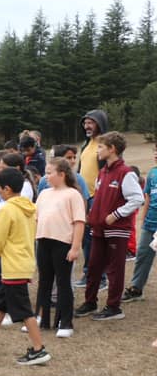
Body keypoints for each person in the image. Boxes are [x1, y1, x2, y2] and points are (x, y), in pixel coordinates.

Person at [0, 168, 50, 365]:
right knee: (2, 303)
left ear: (6, 189)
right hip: (22, 262)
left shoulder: (7, 209)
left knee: (23, 310)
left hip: (13, 267)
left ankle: (39, 349)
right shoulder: (28, 207)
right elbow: (17, 237)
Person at [75, 132, 144, 321]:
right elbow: (99, 198)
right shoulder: (104, 171)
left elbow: (137, 199)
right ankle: (90, 302)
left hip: (117, 230)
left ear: (112, 149)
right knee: (94, 266)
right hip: (99, 229)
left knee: (114, 269)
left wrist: (116, 215)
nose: (97, 150)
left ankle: (113, 307)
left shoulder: (126, 173)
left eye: (100, 147)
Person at [34, 157, 86, 338]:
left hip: (62, 243)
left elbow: (79, 222)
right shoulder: (44, 194)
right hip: (43, 241)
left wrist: (75, 247)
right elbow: (37, 218)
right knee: (44, 281)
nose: (46, 176)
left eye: (50, 173)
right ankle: (42, 317)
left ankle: (65, 322)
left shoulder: (73, 194)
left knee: (63, 283)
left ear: (62, 174)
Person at [75, 110, 109, 287]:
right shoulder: (87, 144)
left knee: (95, 238)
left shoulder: (105, 144)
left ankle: (100, 277)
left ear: (100, 123)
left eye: (91, 123)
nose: (87, 126)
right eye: (85, 123)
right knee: (85, 238)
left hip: (97, 198)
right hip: (84, 197)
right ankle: (89, 273)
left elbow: (108, 172)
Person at [123, 144, 157, 304]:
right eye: (155, 151)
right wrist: (143, 221)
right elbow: (148, 198)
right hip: (150, 224)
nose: (155, 154)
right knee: (143, 255)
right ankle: (136, 289)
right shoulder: (152, 173)